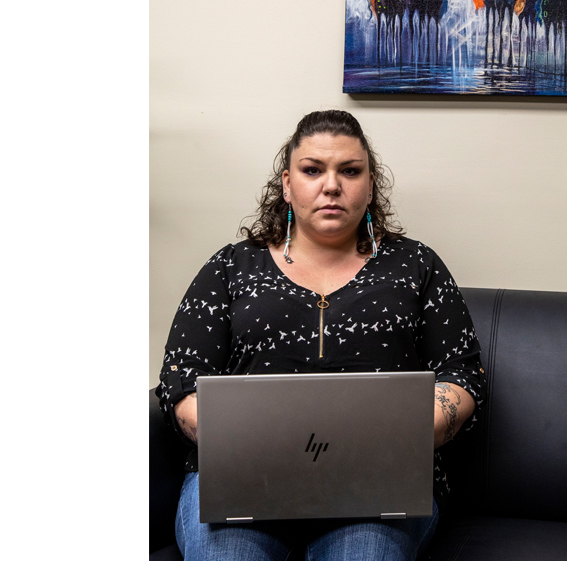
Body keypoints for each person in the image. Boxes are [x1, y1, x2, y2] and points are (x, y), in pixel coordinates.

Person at [156, 110, 485, 561]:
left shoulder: (416, 266)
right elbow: (181, 378)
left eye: (349, 171)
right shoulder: (231, 267)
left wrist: (394, 437)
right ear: (288, 184)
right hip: (240, 477)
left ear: (370, 186)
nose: (332, 185)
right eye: (313, 170)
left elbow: (462, 376)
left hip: (382, 482)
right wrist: (253, 442)